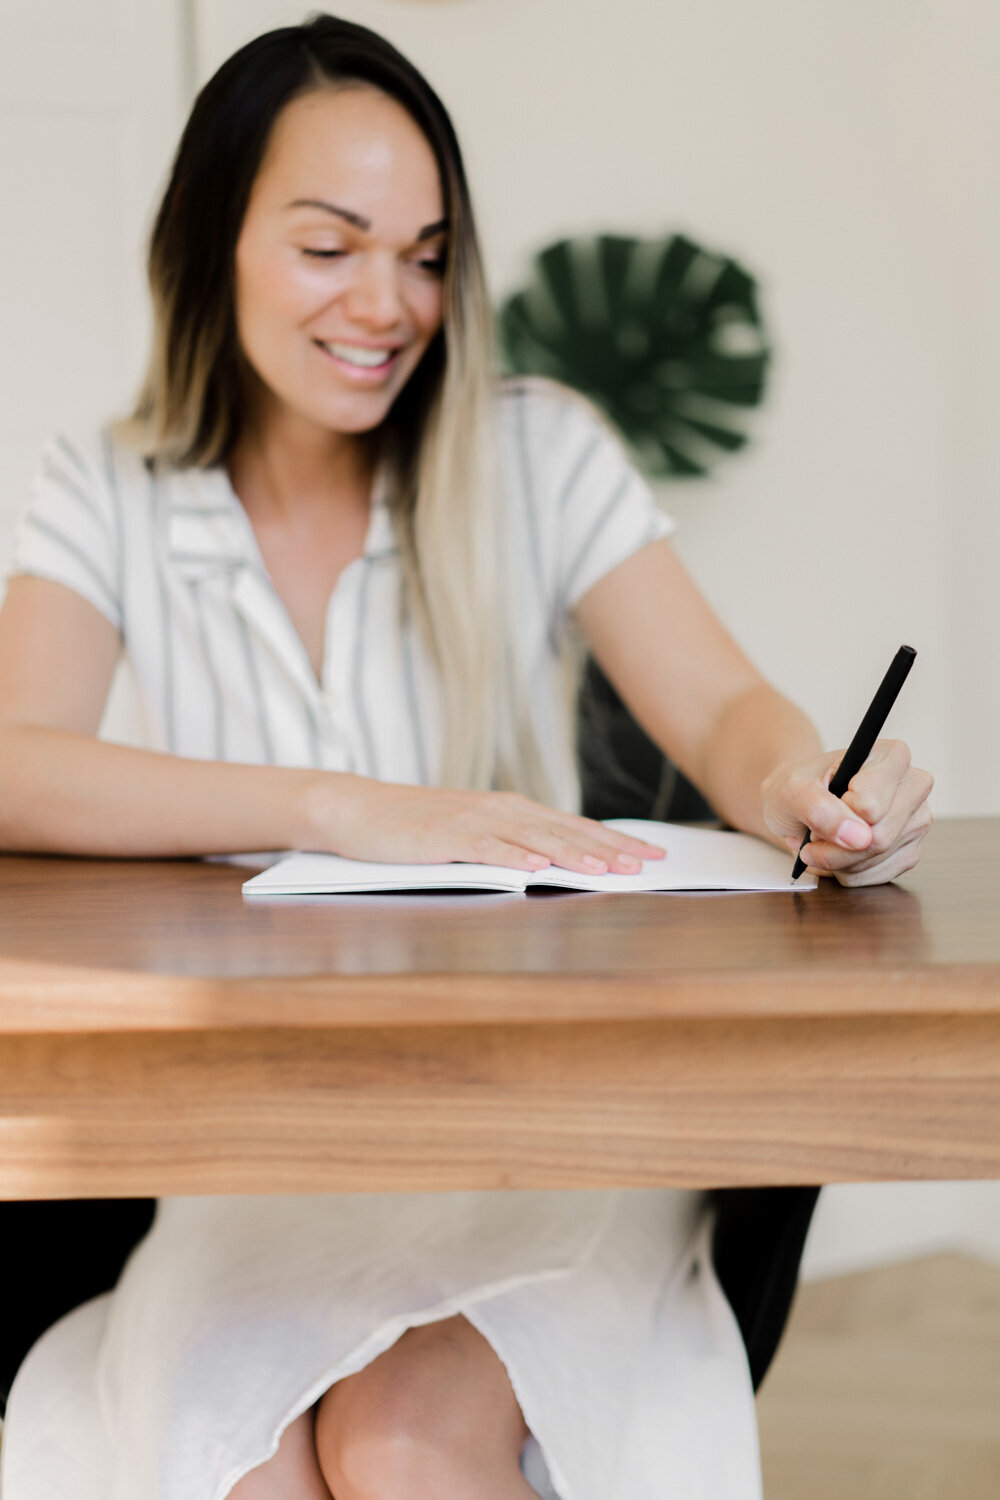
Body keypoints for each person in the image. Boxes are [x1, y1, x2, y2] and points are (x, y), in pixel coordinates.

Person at [0, 15, 933, 1500]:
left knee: (406, 1439)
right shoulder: (111, 489)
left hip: (543, 1124)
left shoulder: (537, 453)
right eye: (330, 246)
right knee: (241, 1457)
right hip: (266, 1151)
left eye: (427, 256)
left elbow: (723, 714)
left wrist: (801, 785)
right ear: (210, 242)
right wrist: (344, 809)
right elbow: (14, 763)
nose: (389, 304)